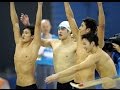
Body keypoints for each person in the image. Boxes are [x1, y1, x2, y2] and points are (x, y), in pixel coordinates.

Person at [45, 33, 117, 89]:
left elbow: (77, 68)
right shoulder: (98, 54)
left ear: (92, 43)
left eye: (85, 44)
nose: (84, 46)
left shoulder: (95, 56)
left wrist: (56, 75)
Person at [62, 2, 105, 84]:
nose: (79, 27)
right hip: (75, 84)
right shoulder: (79, 38)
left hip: (87, 85)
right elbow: (70, 17)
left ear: (88, 30)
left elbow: (102, 26)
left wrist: (100, 5)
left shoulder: (96, 44)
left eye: (82, 26)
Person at [10, 2, 42, 89]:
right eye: (23, 32)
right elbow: (15, 23)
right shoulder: (19, 43)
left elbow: (38, 25)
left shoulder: (34, 45)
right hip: (18, 85)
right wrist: (11, 3)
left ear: (32, 36)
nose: (23, 35)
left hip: (30, 86)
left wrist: (39, 5)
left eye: (26, 33)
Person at [20, 15, 58, 89]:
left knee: (53, 87)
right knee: (40, 87)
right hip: (40, 66)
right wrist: (27, 24)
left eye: (47, 26)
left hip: (53, 67)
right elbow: (31, 32)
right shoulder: (37, 38)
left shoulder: (55, 39)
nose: (46, 28)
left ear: (50, 26)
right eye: (43, 26)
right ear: (40, 28)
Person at [40, 21, 77, 89]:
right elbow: (39, 41)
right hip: (59, 83)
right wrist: (29, 26)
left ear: (69, 31)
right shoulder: (54, 42)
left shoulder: (75, 45)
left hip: (72, 83)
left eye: (62, 29)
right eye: (59, 29)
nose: (60, 31)